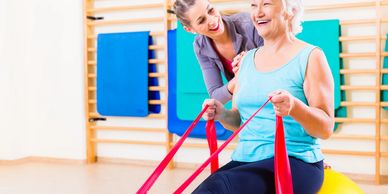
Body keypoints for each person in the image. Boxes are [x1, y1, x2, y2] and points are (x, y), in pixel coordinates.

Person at [195, 0, 335, 193]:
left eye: (266, 4)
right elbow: (238, 120)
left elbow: (325, 128)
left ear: (291, 10)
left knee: (217, 188)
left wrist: (294, 107)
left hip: (294, 161)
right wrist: (221, 114)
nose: (258, 12)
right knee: (209, 187)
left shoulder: (310, 56)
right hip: (246, 160)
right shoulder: (245, 62)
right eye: (253, 5)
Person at [173, 0, 263, 104]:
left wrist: (251, 60)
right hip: (250, 104)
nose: (212, 21)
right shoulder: (200, 47)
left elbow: (276, 67)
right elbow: (215, 96)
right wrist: (238, 78)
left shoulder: (250, 24)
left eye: (210, 10)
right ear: (189, 29)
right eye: (201, 21)